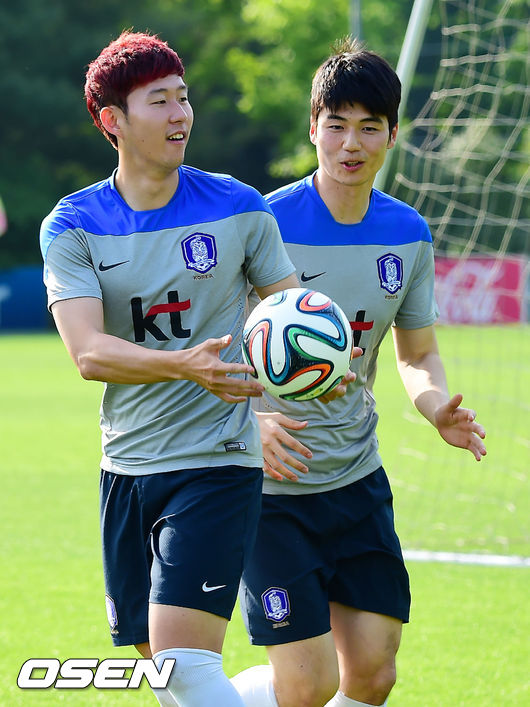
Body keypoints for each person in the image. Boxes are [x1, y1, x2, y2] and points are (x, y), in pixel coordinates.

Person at [39, 30, 300, 707]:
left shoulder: (239, 206)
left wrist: (305, 374)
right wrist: (186, 365)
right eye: (159, 101)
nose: (181, 114)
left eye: (183, 98)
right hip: (126, 467)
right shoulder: (72, 225)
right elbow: (89, 353)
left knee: (184, 664)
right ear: (113, 120)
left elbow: (292, 314)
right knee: (166, 673)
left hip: (218, 463)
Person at [231, 38, 487, 707]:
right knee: (307, 683)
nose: (351, 143)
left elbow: (416, 353)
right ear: (312, 128)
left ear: (392, 135)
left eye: (370, 127)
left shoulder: (408, 234)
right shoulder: (261, 223)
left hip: (356, 480)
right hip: (270, 490)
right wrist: (249, 423)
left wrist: (435, 406)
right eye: (336, 124)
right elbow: (209, 350)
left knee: (372, 674)